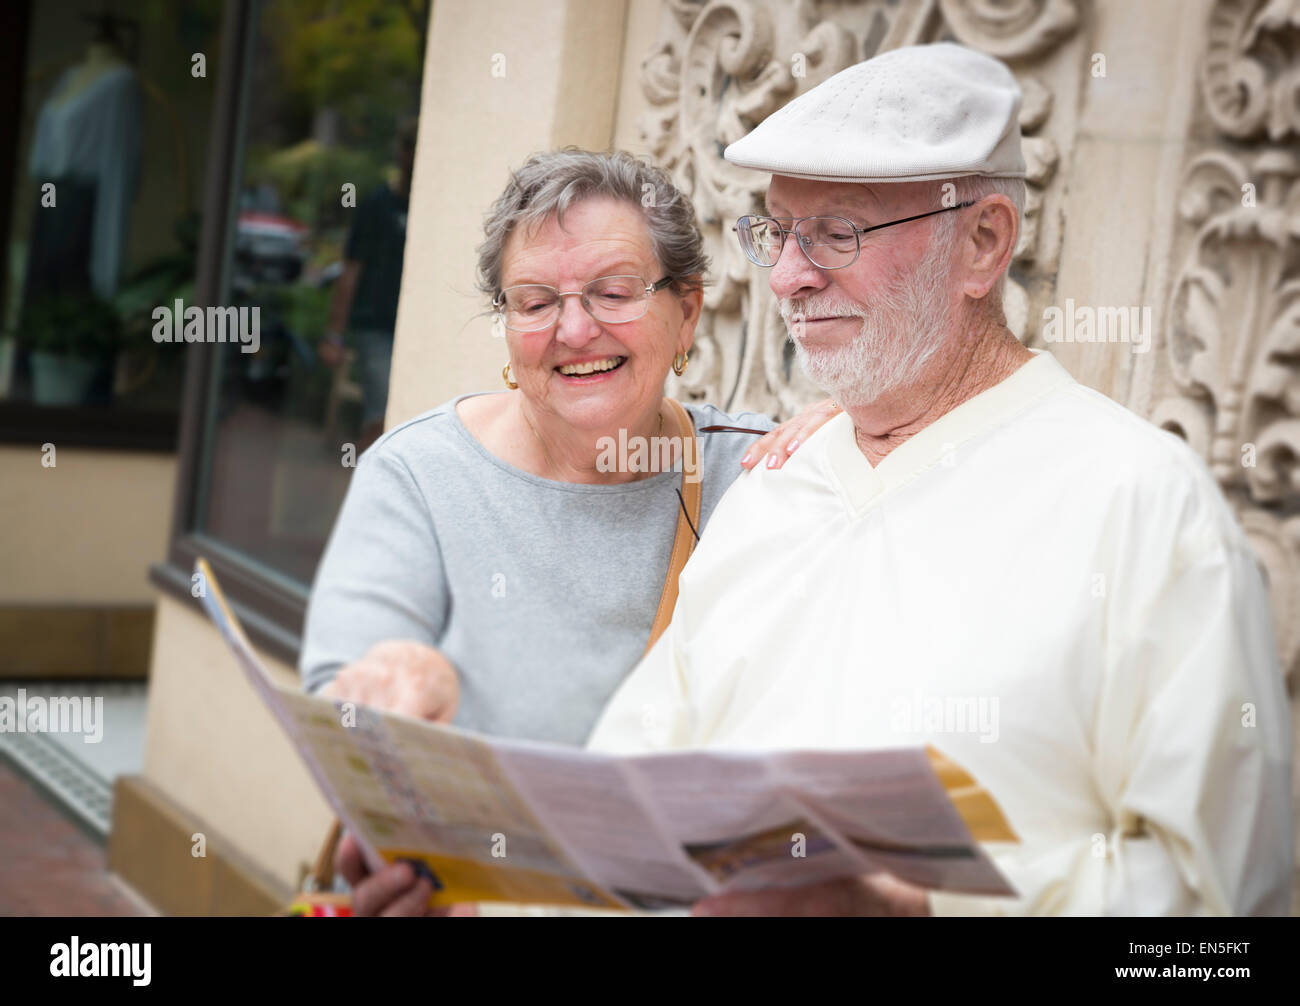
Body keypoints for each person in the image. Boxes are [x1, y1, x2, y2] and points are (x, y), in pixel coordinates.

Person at [588, 43, 1293, 917]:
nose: (790, 276)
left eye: (837, 232)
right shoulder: (771, 493)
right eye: (775, 231)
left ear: (983, 244)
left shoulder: (1143, 503)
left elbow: (1218, 924)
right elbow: (619, 824)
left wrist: (919, 910)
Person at [299, 149, 839, 916]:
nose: (575, 329)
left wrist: (859, 440)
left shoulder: (757, 472)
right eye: (535, 301)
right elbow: (345, 720)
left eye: (615, 292)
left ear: (687, 310)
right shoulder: (418, 475)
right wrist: (388, 686)